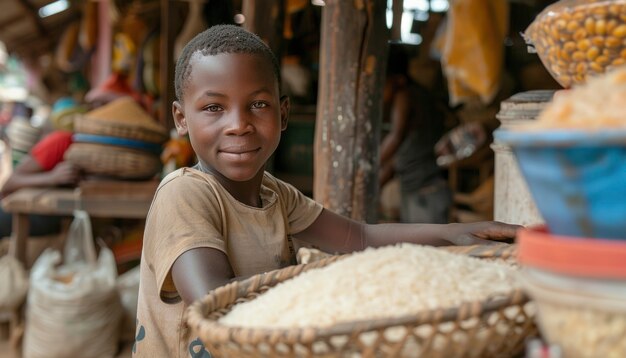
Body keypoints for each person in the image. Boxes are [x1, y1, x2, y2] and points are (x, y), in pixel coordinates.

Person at [134, 24, 519, 357]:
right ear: (181, 118)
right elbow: (214, 303)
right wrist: (336, 296)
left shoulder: (276, 196)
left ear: (283, 115)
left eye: (258, 105)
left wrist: (454, 234)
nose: (239, 125)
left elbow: (361, 236)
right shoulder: (184, 194)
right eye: (214, 108)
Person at [379, 45, 452, 224]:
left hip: (426, 192)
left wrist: (369, 165)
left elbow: (396, 137)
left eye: (382, 84)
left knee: (426, 248)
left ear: (399, 79)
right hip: (419, 189)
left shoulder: (405, 96)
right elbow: (397, 159)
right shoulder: (418, 94)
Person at [0, 130, 80, 238]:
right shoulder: (62, 141)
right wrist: (52, 177)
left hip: (62, 213)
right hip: (27, 210)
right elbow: (10, 183)